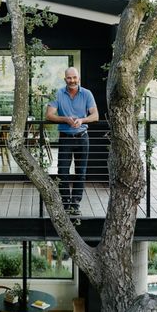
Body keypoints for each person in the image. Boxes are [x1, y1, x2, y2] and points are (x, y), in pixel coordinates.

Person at [46, 67, 99, 215]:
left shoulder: (87, 94)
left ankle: (75, 205)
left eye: (74, 77)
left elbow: (95, 116)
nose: (72, 80)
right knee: (62, 172)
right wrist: (65, 119)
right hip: (65, 138)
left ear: (79, 78)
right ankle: (65, 203)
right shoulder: (58, 93)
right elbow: (49, 115)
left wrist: (82, 120)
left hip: (83, 138)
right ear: (65, 79)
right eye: (69, 78)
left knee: (80, 172)